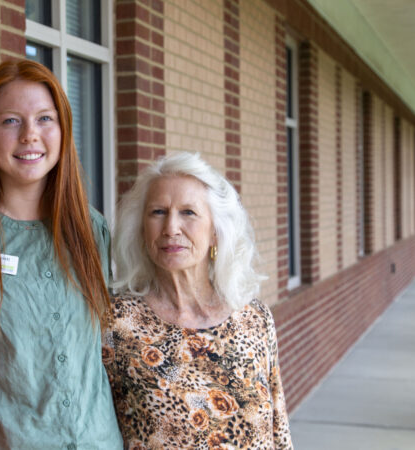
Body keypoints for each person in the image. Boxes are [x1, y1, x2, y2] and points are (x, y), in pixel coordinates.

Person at [0, 59, 123, 449]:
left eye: (45, 119)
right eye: (11, 121)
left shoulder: (90, 228)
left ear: (63, 130)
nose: (30, 135)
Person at [104, 152, 293, 449]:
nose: (171, 228)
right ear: (141, 230)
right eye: (158, 212)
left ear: (216, 231)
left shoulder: (254, 318)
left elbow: (278, 429)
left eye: (188, 213)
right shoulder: (115, 324)